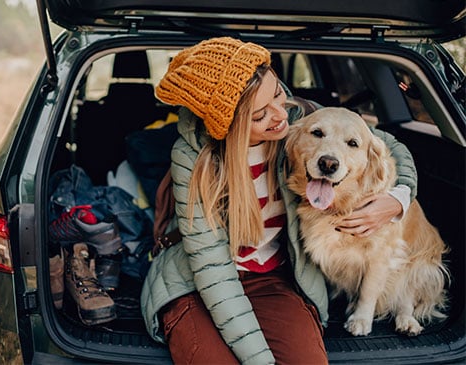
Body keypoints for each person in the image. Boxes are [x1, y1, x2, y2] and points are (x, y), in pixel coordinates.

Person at [140, 37, 417, 364]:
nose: (280, 115)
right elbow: (213, 270)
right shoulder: (192, 158)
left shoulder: (304, 121)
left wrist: (398, 201)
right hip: (199, 282)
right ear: (229, 124)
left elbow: (390, 146)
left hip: (274, 277)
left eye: (276, 93)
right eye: (260, 115)